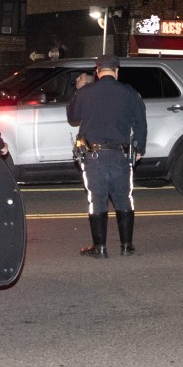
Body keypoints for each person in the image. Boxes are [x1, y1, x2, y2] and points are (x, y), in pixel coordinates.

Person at [66, 54, 146, 258]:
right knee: (124, 198)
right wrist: (139, 149)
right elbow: (140, 123)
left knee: (97, 199)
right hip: (121, 155)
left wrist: (78, 90)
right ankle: (127, 246)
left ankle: (100, 248)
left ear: (97, 71)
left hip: (93, 156)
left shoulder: (86, 92)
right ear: (117, 71)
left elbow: (72, 117)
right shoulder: (130, 93)